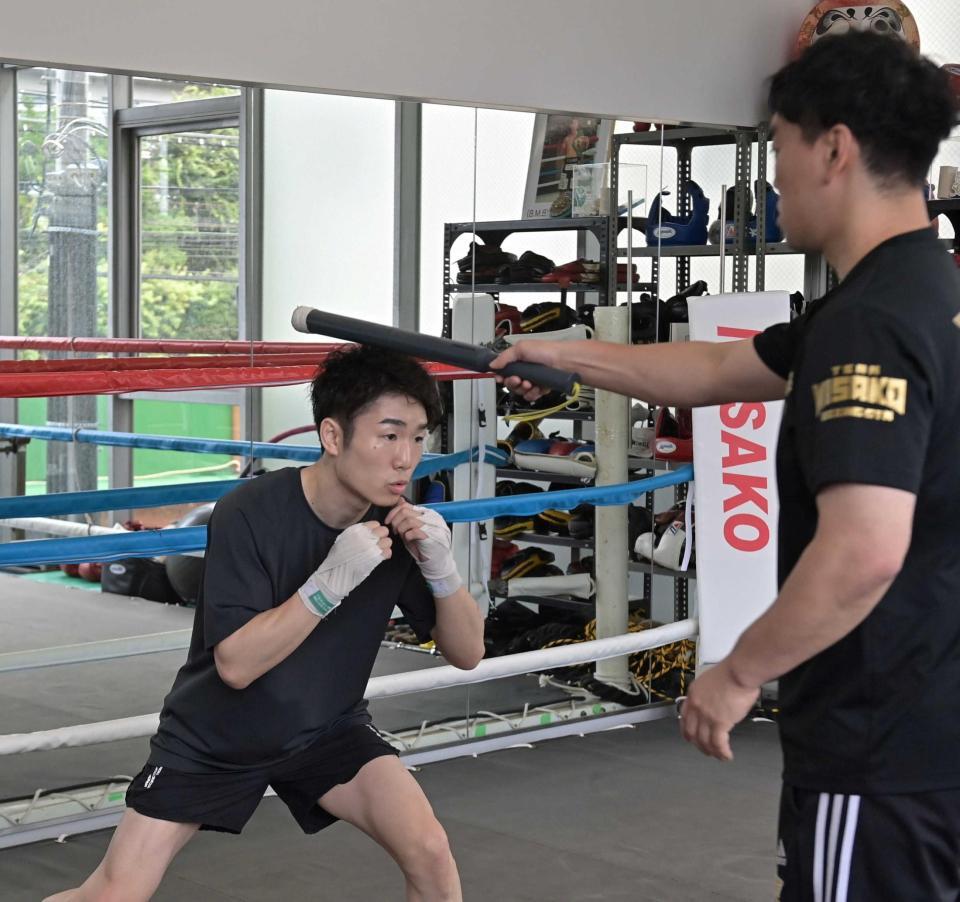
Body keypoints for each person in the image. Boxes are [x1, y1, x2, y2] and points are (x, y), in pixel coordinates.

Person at [491, 31, 959, 901]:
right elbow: (716, 371)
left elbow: (865, 550)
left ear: (835, 147)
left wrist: (738, 671)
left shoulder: (872, 323)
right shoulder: (917, 290)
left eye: (779, 147)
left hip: (878, 738)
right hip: (926, 728)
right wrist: (564, 353)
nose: (773, 177)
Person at [46, 345, 485, 902]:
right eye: (389, 435)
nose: (406, 458)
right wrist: (327, 586)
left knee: (431, 854)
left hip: (327, 728)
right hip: (217, 736)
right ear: (332, 436)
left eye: (419, 437)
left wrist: (444, 573)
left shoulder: (398, 525)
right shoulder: (249, 512)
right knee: (112, 894)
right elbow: (234, 665)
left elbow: (469, 653)